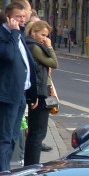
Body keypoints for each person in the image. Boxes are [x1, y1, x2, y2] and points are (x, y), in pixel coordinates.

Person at [0, 0, 32, 173]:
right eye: (17, 17)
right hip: (8, 94)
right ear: (8, 18)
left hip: (21, 94)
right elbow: (8, 55)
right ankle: (0, 170)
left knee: (14, 136)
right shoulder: (1, 36)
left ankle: (5, 167)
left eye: (23, 16)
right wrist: (14, 33)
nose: (21, 20)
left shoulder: (18, 35)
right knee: (4, 136)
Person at [23, 20, 59, 165]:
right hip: (39, 93)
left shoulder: (30, 44)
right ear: (33, 32)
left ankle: (31, 164)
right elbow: (54, 63)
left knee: (35, 133)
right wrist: (49, 46)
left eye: (47, 35)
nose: (45, 38)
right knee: (37, 133)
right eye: (43, 34)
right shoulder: (35, 47)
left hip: (37, 91)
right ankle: (32, 165)